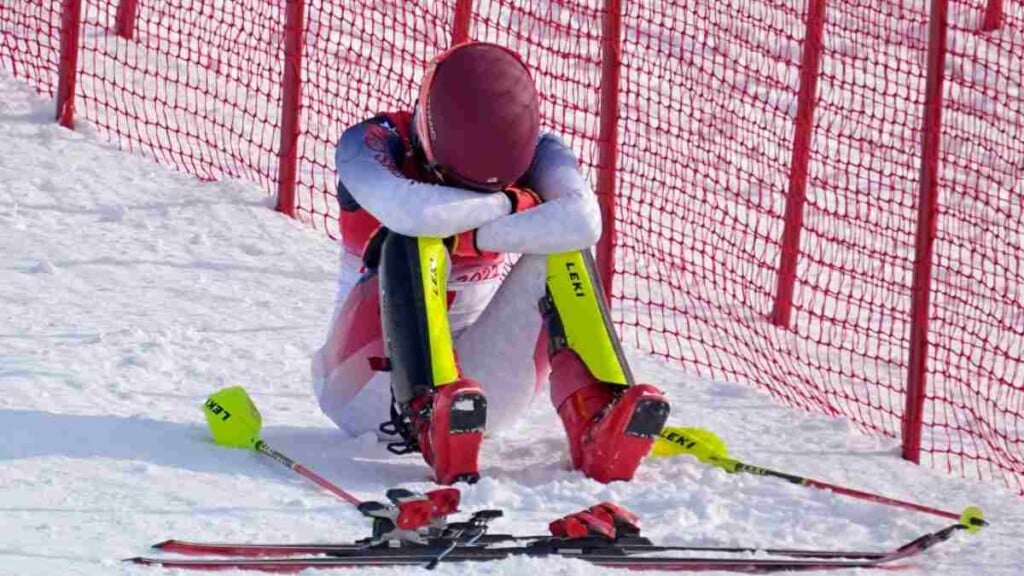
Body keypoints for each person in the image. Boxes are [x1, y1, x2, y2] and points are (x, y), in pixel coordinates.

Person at [312, 41, 670, 485]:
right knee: (413, 238)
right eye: (457, 183)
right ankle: (427, 408)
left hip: (477, 404)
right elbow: (415, 213)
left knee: (563, 247)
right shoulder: (371, 142)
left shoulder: (544, 150)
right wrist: (513, 204)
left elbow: (582, 220)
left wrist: (471, 224)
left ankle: (596, 414)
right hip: (366, 389)